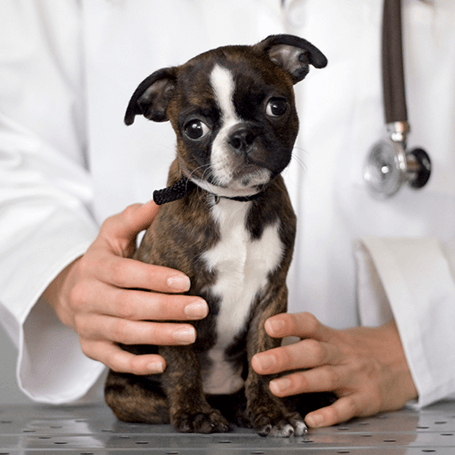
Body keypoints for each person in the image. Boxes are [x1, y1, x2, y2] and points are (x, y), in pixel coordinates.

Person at [1, 0, 454, 428]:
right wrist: (66, 276)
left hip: (395, 403)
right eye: (198, 127)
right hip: (154, 407)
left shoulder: (282, 214)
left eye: (274, 107)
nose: (239, 139)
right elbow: (14, 151)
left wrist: (422, 343)